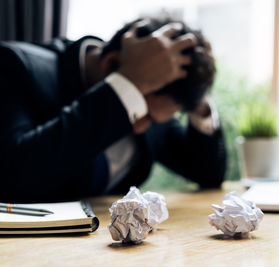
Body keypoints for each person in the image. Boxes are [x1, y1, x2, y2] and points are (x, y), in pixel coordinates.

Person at [0, 17, 226, 202]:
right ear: (110, 65)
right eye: (139, 109)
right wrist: (124, 88)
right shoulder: (13, 66)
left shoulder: (156, 103)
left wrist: (199, 90)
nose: (141, 127)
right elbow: (13, 177)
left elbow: (208, 173)